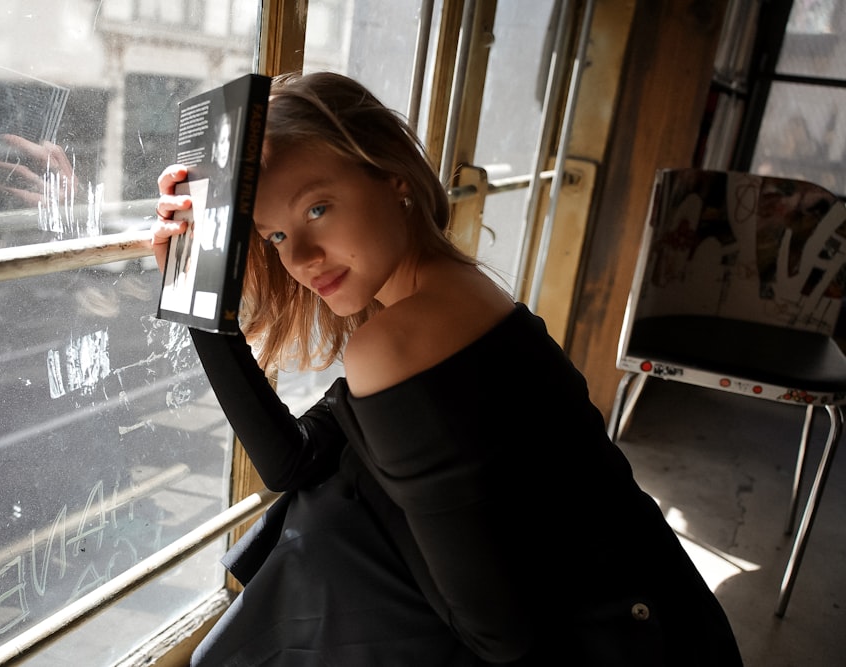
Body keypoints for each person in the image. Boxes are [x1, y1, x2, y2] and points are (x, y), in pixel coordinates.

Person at [151, 71, 743, 666]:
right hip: (672, 621)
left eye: (319, 209)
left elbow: (498, 637)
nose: (299, 258)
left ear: (394, 176)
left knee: (329, 529)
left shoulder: (400, 341)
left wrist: (357, 509)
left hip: (624, 644)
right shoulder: (453, 288)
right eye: (276, 234)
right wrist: (202, 300)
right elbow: (294, 460)